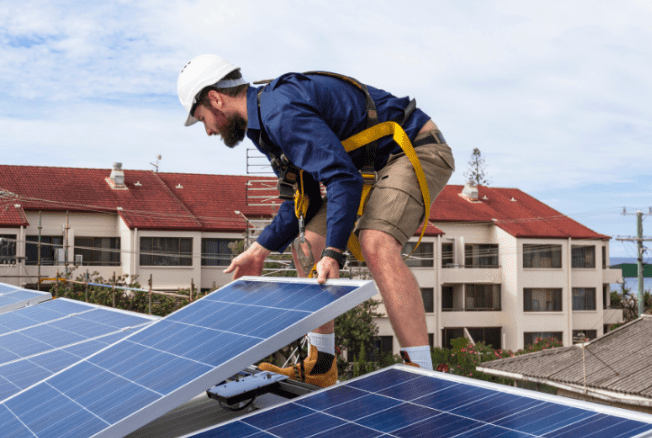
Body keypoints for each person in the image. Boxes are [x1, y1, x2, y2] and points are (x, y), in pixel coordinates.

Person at [177, 54, 454, 387]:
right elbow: (302, 200)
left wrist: (334, 253)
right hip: (366, 166)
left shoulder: (280, 111)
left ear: (216, 99)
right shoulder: (263, 125)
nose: (209, 130)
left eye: (203, 119)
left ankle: (422, 376)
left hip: (414, 148)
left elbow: (342, 178)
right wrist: (260, 250)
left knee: (376, 242)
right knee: (308, 246)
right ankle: (321, 366)